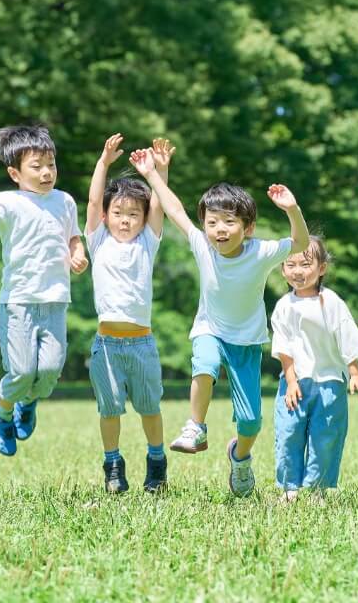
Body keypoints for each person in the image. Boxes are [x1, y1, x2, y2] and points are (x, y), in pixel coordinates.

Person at [130, 148, 309, 497]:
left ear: (248, 227)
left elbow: (301, 242)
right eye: (212, 222)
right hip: (209, 329)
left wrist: (292, 209)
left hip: (246, 341)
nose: (219, 230)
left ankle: (239, 458)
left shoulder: (261, 252)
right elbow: (175, 210)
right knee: (205, 364)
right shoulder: (202, 246)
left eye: (228, 222)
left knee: (251, 422)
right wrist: (152, 174)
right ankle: (195, 425)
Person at [0, 124, 88, 457]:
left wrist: (78, 251)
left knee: (50, 371)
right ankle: (1, 413)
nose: (47, 173)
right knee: (23, 370)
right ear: (15, 172)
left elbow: (73, 235)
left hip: (55, 300)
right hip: (18, 303)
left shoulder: (65, 201)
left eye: (51, 164)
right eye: (36, 166)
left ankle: (27, 403)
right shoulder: (8, 202)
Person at [85, 133, 174, 495]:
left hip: (142, 345)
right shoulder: (98, 240)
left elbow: (159, 206)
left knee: (150, 407)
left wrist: (160, 171)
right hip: (106, 345)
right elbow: (92, 201)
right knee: (110, 410)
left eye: (133, 215)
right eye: (118, 214)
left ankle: (156, 461)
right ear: (106, 217)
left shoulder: (147, 243)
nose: (125, 220)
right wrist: (103, 163)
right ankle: (113, 464)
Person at [271, 235, 358, 501]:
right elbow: (284, 348)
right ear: (282, 269)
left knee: (325, 436)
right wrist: (290, 381)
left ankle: (317, 489)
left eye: (305, 264)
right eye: (290, 265)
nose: (298, 272)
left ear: (322, 267)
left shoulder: (332, 302)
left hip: (329, 382)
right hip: (294, 383)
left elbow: (346, 336)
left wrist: (355, 375)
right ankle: (290, 488)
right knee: (288, 433)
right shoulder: (283, 306)